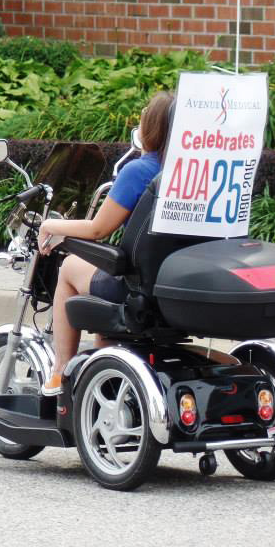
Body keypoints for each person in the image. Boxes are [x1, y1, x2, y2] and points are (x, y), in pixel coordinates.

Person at [36, 90, 173, 395]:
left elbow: (99, 229)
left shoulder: (140, 170)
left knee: (70, 267)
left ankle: (60, 370)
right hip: (174, 281)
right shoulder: (190, 173)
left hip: (138, 284)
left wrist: (51, 224)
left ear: (149, 128)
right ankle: (105, 357)